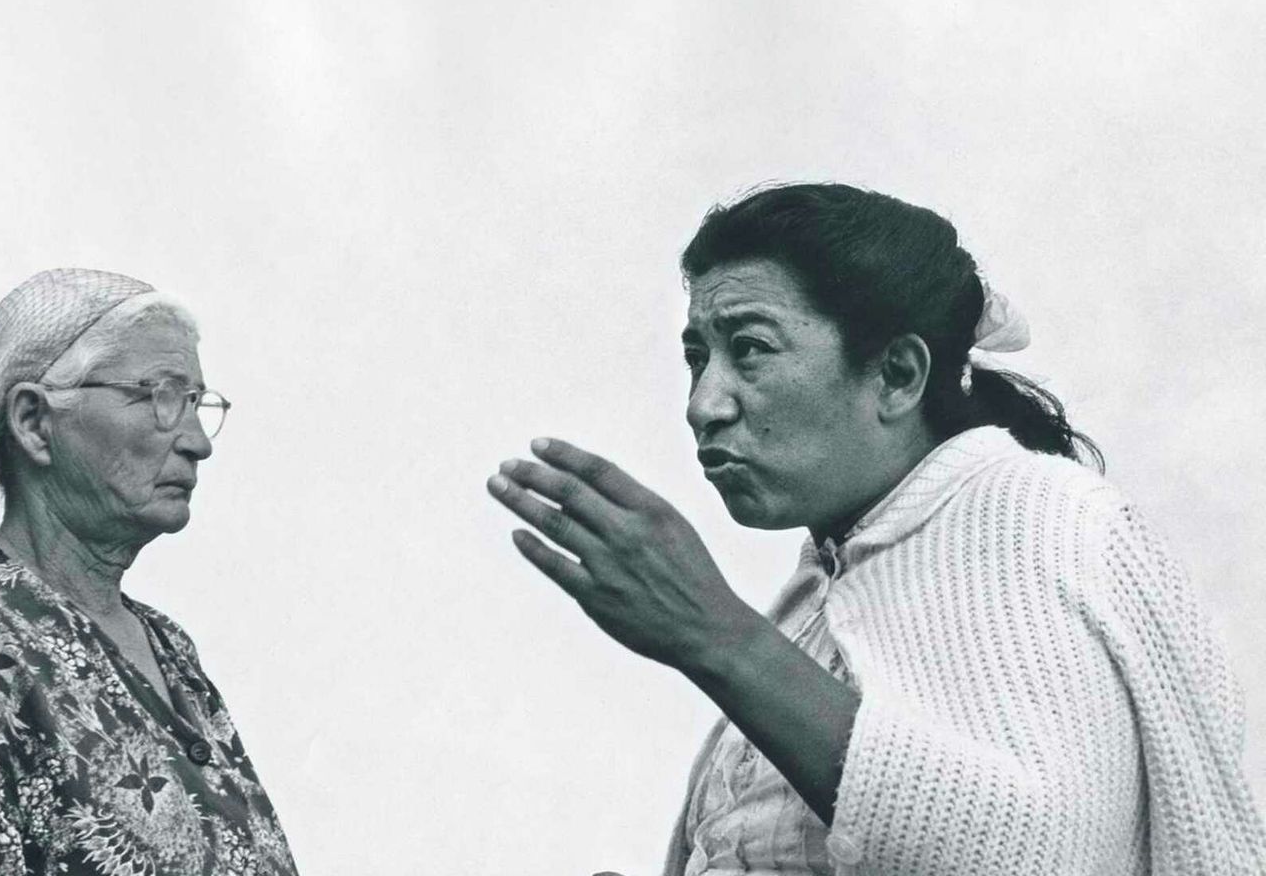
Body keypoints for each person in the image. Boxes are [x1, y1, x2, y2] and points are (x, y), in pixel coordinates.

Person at [485, 184, 1266, 874]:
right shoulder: (827, 582)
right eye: (698, 357)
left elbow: (1040, 855)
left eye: (749, 349)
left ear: (897, 376)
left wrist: (715, 634)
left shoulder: (1031, 514)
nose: (703, 403)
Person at [0, 268, 298, 875]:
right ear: (34, 422)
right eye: (162, 397)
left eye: (197, 402)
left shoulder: (169, 648)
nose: (198, 442)